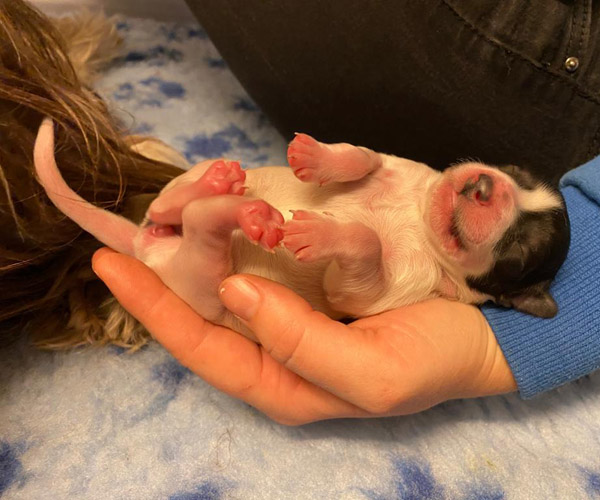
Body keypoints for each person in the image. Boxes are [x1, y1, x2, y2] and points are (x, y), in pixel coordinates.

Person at [92, 1, 600, 424]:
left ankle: (198, 213)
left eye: (517, 244)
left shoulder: (427, 280)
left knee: (209, 222)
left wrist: (500, 346)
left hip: (228, 257)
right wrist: (334, 160)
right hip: (232, 216)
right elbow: (375, 163)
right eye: (516, 175)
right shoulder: (425, 183)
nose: (498, 187)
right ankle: (182, 205)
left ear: (505, 294)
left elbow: (349, 294)